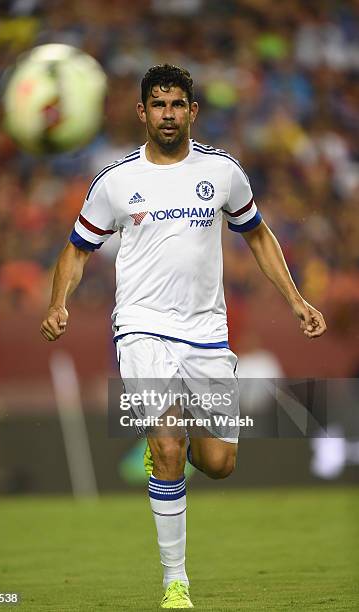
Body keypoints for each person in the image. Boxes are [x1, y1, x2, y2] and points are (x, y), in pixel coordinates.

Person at [40, 64, 327, 609]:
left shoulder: (223, 173)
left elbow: (258, 235)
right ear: (142, 111)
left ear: (192, 111)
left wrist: (295, 300)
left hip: (207, 335)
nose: (167, 114)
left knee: (219, 463)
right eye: (158, 104)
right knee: (169, 444)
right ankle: (176, 582)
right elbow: (76, 248)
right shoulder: (117, 181)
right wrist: (59, 303)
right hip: (143, 327)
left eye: (177, 105)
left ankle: (167, 445)